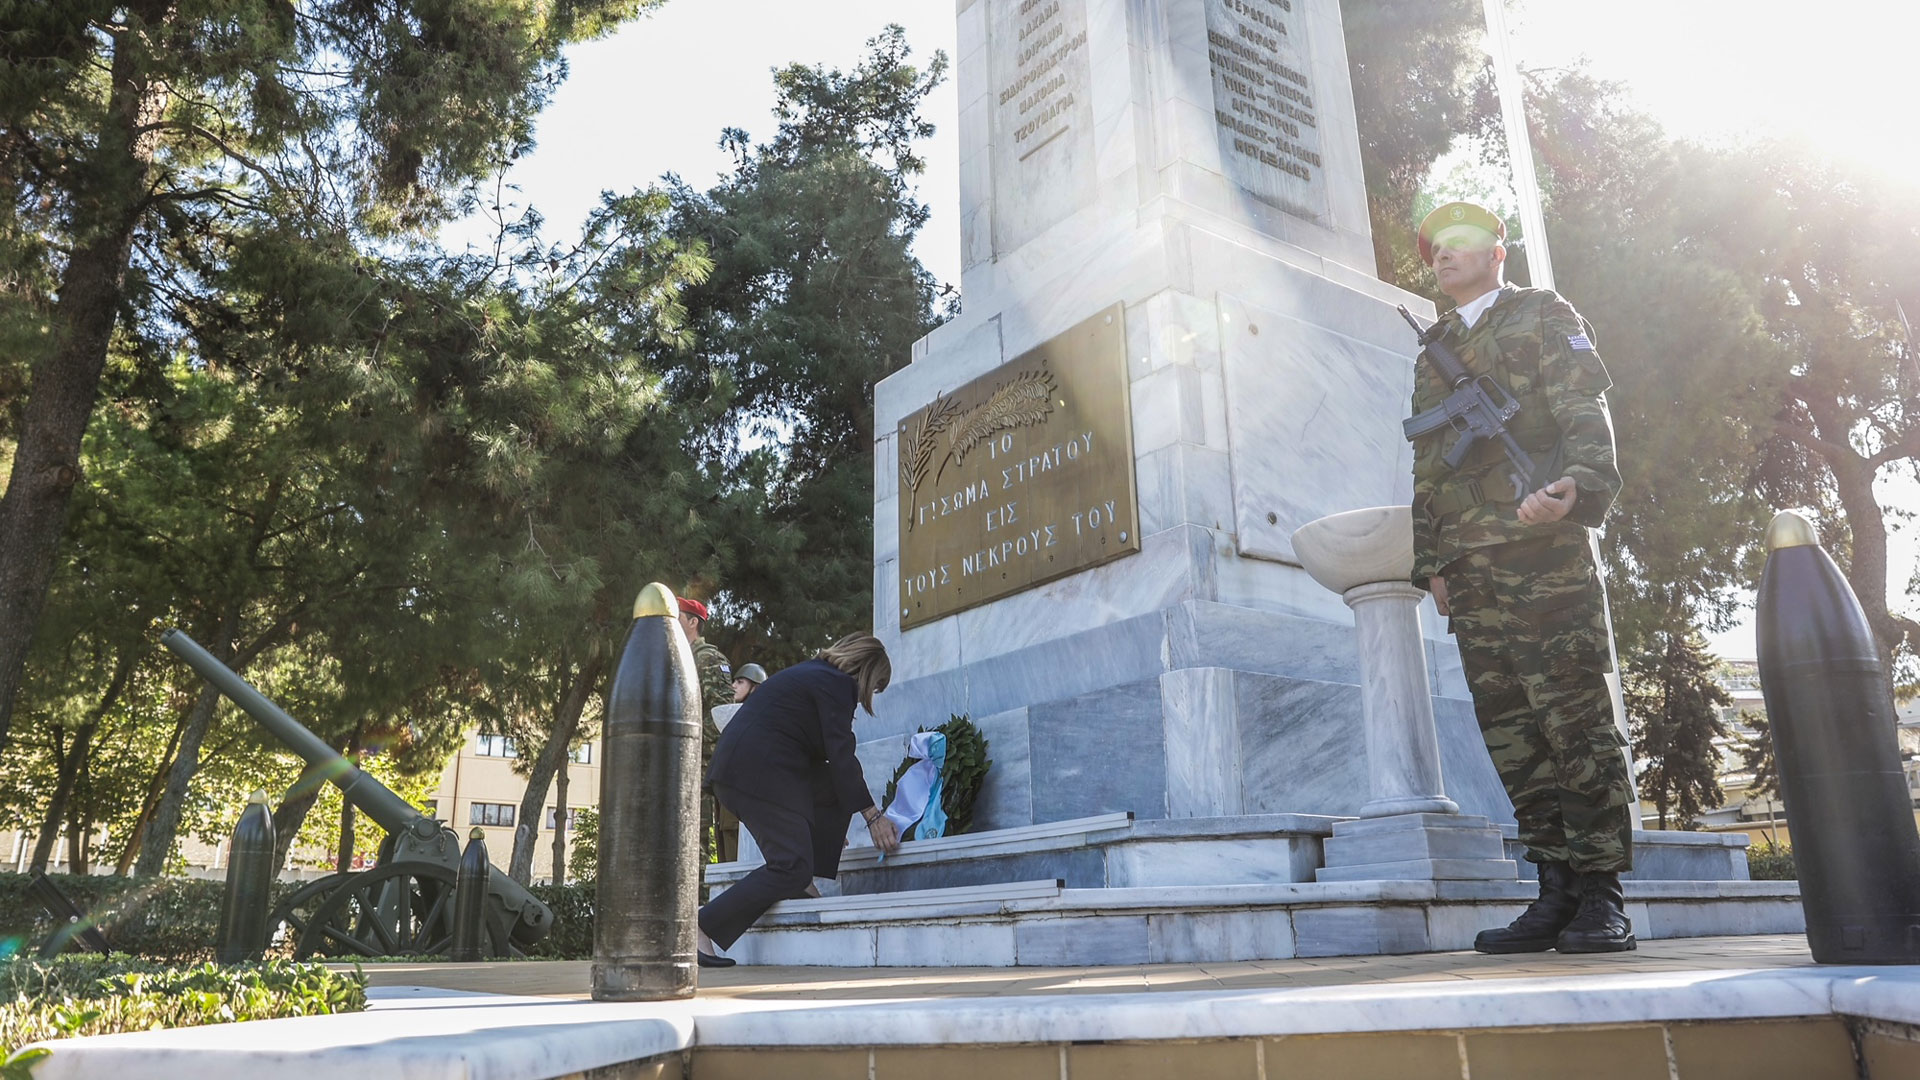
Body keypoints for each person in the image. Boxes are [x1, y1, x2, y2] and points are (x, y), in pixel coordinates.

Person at [1408, 201, 1636, 954]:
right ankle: (1554, 891)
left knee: (1573, 721)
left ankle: (1603, 896)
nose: (1445, 255)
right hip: (1470, 568)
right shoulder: (1433, 347)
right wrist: (1430, 563)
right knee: (1513, 734)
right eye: (1436, 247)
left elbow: (1584, 408)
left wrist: (1580, 485)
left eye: (1461, 243)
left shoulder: (1542, 313)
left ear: (1497, 250)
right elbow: (1427, 468)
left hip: (1542, 549)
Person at [695, 633, 900, 966]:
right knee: (790, 865)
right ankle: (702, 924)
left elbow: (826, 764)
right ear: (866, 671)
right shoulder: (837, 684)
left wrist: (821, 827)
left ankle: (801, 883)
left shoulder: (815, 674)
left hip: (752, 769)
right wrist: (873, 817)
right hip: (756, 772)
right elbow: (842, 754)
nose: (867, 697)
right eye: (874, 686)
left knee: (831, 794)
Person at [677, 596, 732, 865]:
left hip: (702, 760)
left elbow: (722, 713)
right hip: (683, 759)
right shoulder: (679, 656)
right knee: (681, 830)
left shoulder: (708, 658)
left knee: (695, 832)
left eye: (678, 617)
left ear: (692, 622)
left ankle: (698, 898)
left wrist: (692, 741)